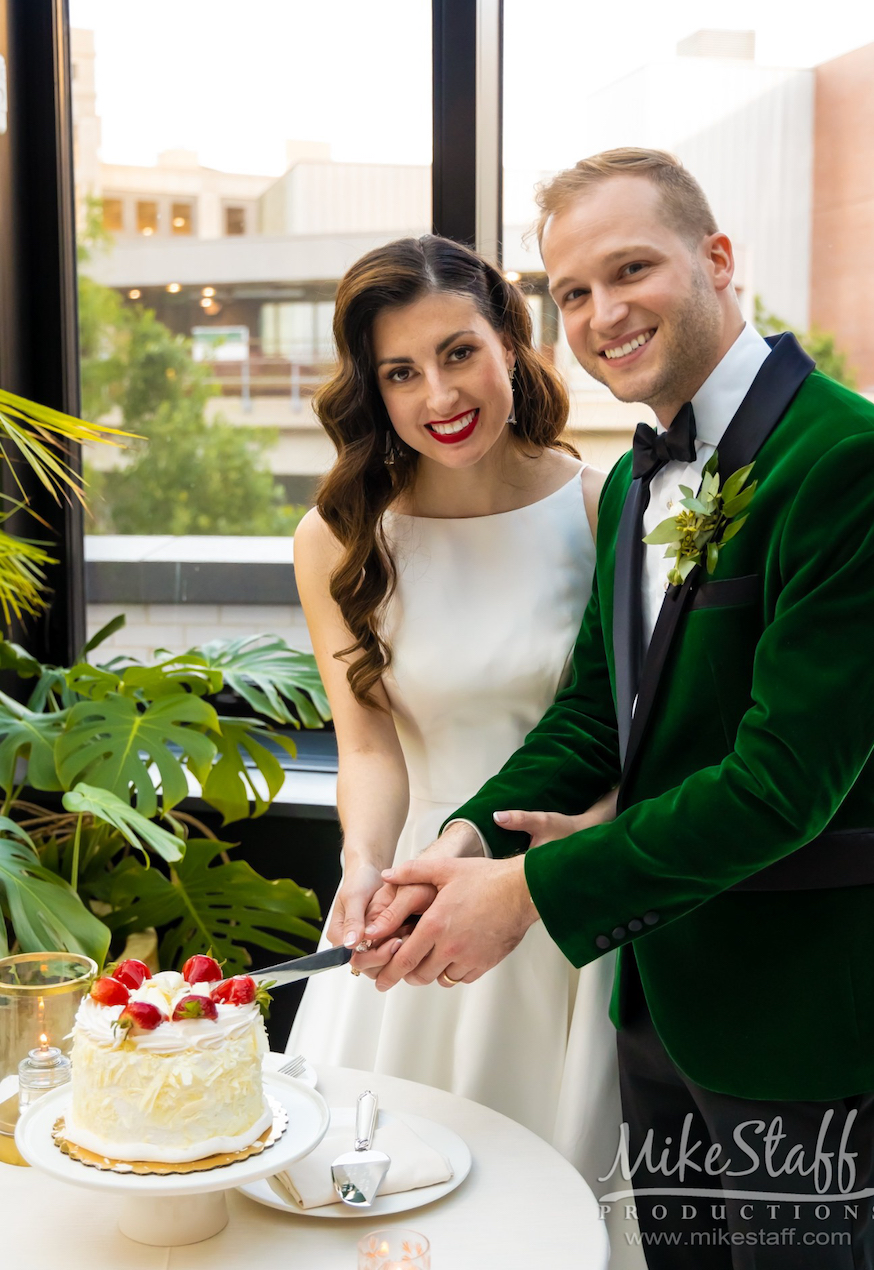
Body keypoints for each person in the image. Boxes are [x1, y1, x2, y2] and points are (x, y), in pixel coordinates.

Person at [359, 148, 874, 1269]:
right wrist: (463, 840)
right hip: (653, 1008)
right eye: (572, 291)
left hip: (801, 1019)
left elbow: (780, 787)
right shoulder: (634, 477)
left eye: (631, 269)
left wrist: (524, 892)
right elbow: (593, 720)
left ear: (716, 260)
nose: (604, 313)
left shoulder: (858, 464)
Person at [285, 234, 632, 1204]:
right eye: (400, 372)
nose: (438, 396)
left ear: (511, 344)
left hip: (554, 902)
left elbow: (614, 730)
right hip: (410, 896)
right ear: (372, 388)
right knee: (385, 1197)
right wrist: (363, 866)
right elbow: (368, 747)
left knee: (547, 1207)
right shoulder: (338, 540)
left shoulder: (602, 509)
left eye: (458, 353)